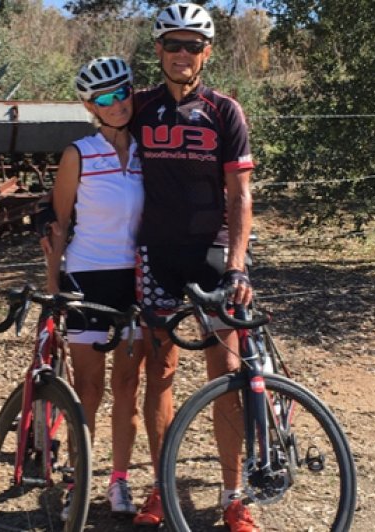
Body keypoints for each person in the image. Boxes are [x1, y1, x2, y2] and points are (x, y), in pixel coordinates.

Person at [130, 4, 257, 531]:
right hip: (158, 255)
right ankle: (161, 487)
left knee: (224, 374)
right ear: (158, 50)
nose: (182, 54)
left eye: (192, 46)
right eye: (173, 44)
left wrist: (237, 266)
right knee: (159, 372)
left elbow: (240, 194)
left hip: (212, 254)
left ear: (206, 53)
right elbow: (98, 152)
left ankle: (233, 495)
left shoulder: (224, 111)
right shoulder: (139, 106)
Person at [42, 56, 145, 520]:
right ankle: (77, 479)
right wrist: (53, 289)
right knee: (88, 388)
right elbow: (59, 224)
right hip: (87, 278)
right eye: (105, 98)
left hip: (133, 280)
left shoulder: (146, 152)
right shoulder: (79, 153)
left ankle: (119, 480)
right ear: (90, 106)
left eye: (123, 92)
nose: (117, 103)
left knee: (128, 386)